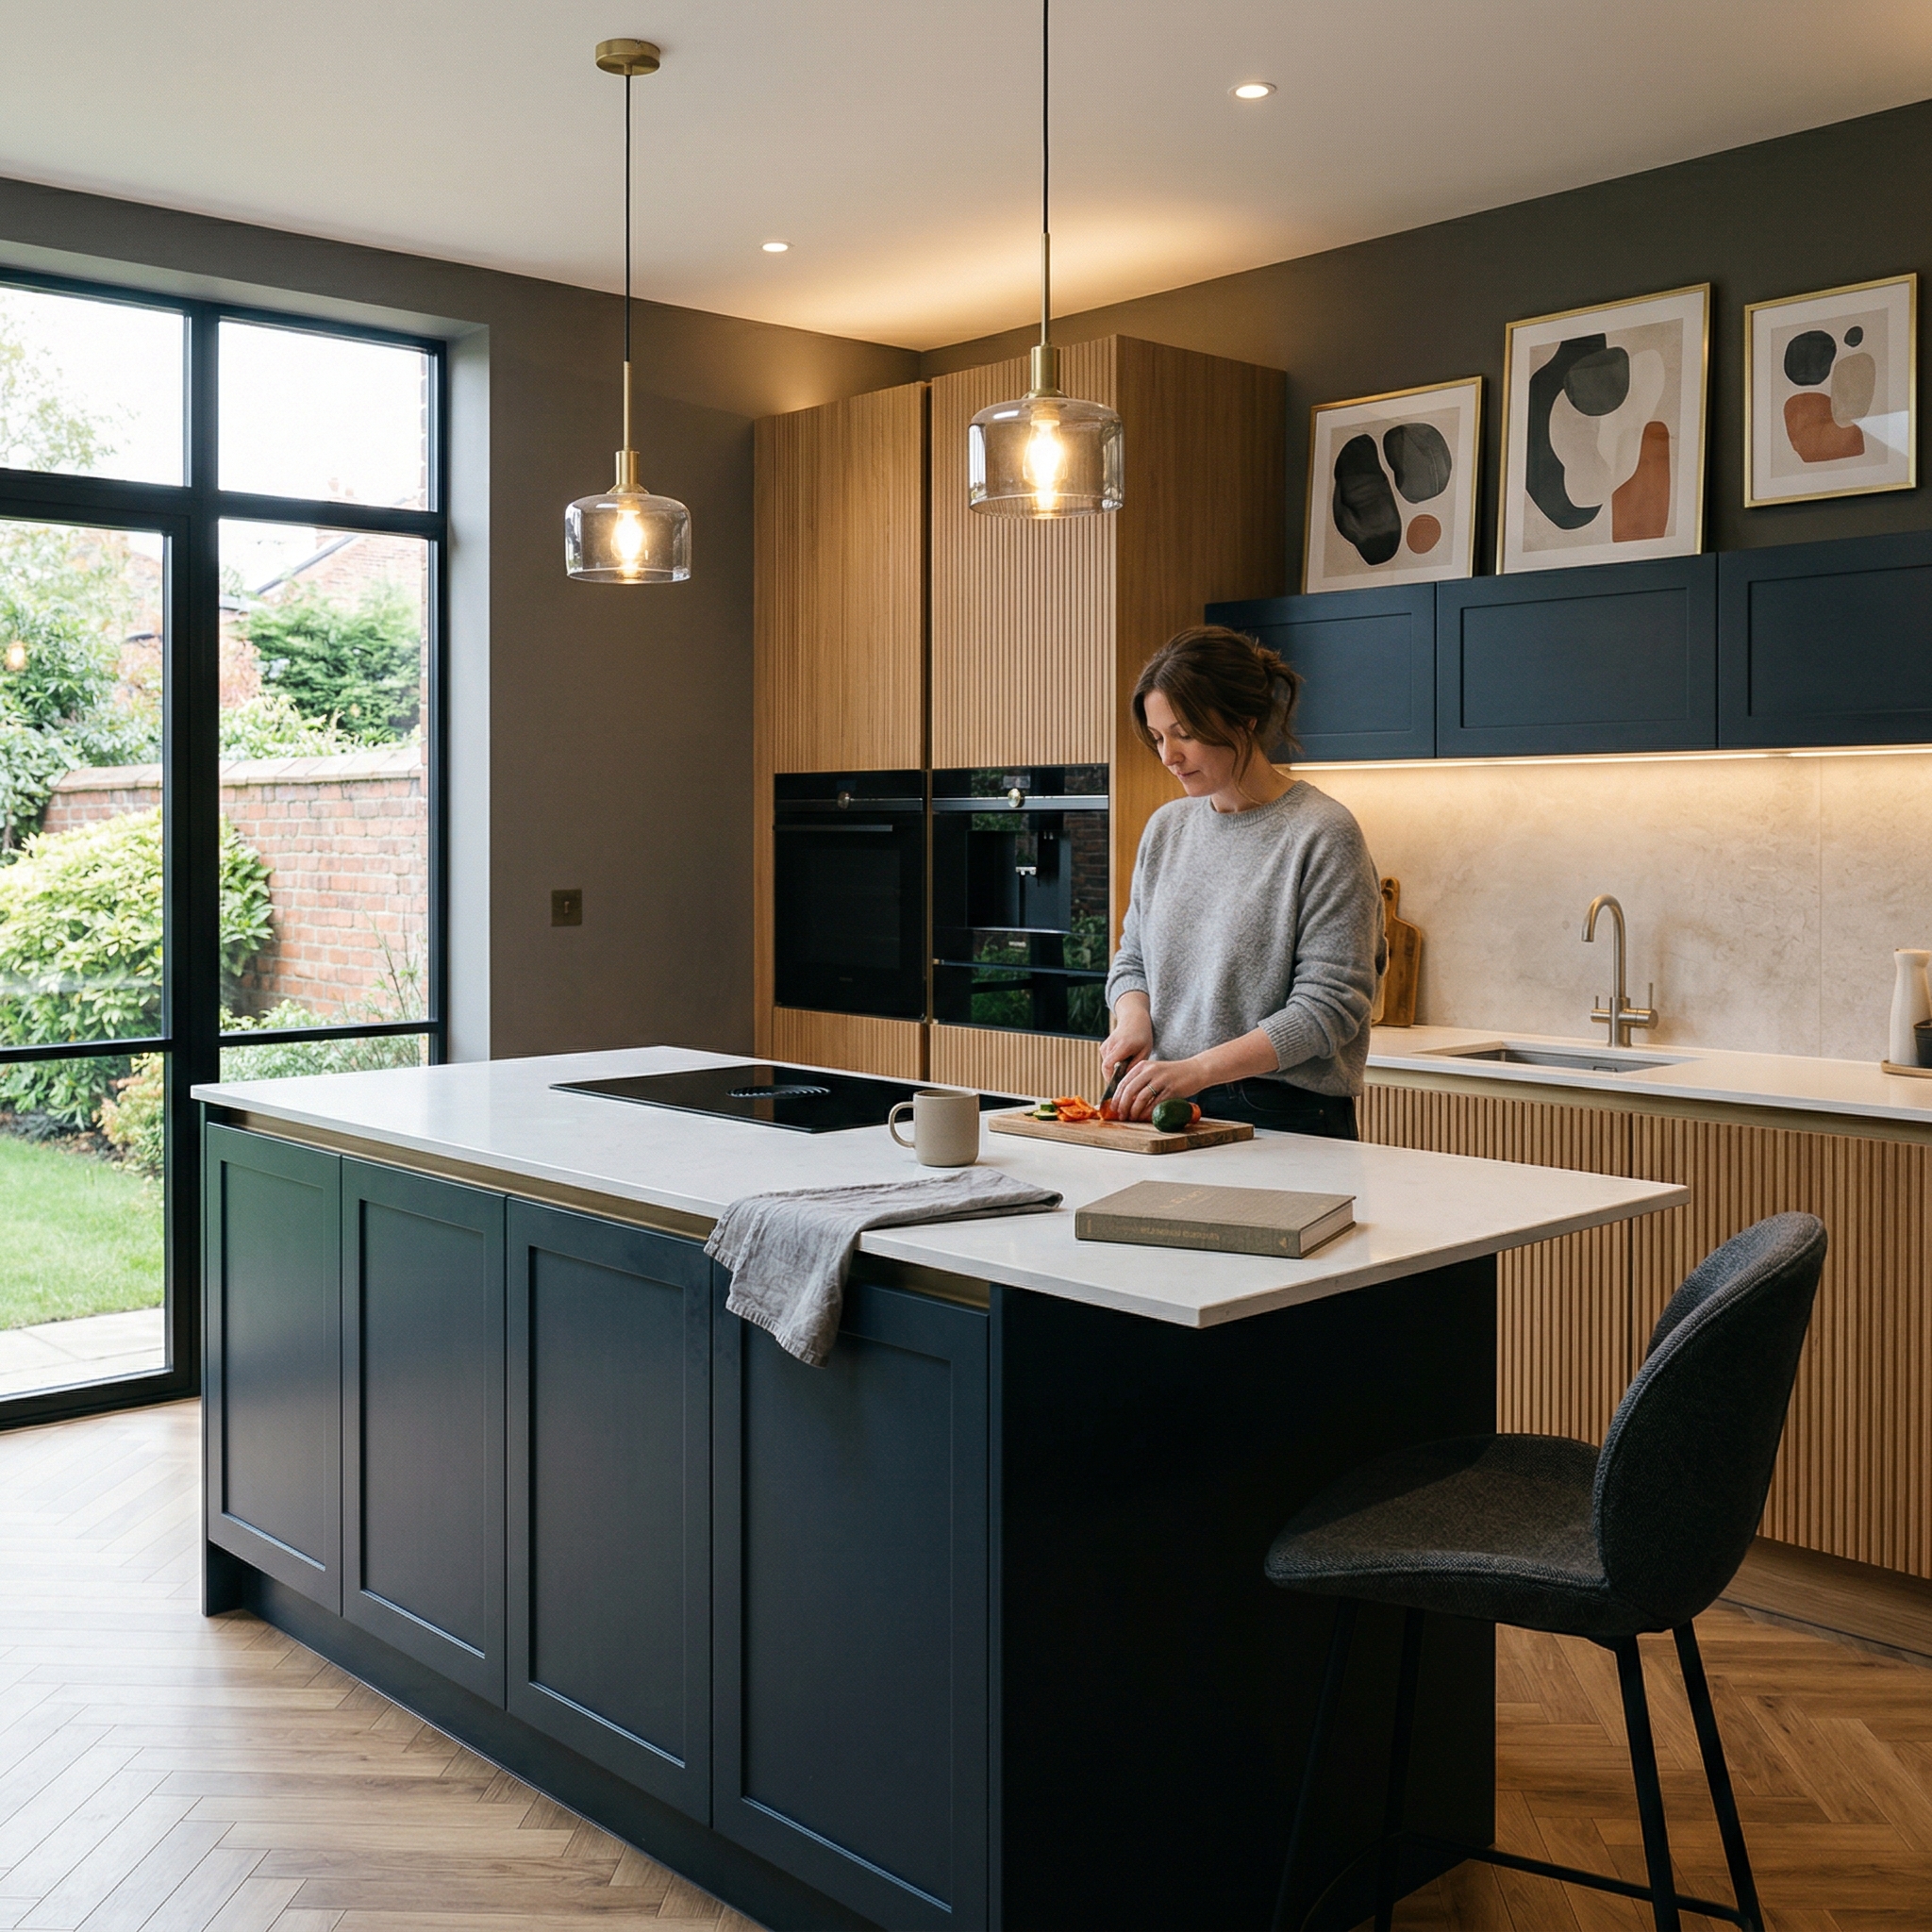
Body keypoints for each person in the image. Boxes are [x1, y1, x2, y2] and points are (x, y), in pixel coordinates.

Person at [1102, 625, 1385, 1141]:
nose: (1168, 756)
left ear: (1245, 720)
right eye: (1158, 737)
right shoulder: (1167, 828)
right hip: (1164, 1103)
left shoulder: (1321, 833)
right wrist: (1132, 1017)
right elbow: (1133, 960)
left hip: (1283, 1114)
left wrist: (1198, 1070)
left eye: (1184, 733)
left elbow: (1329, 1008)